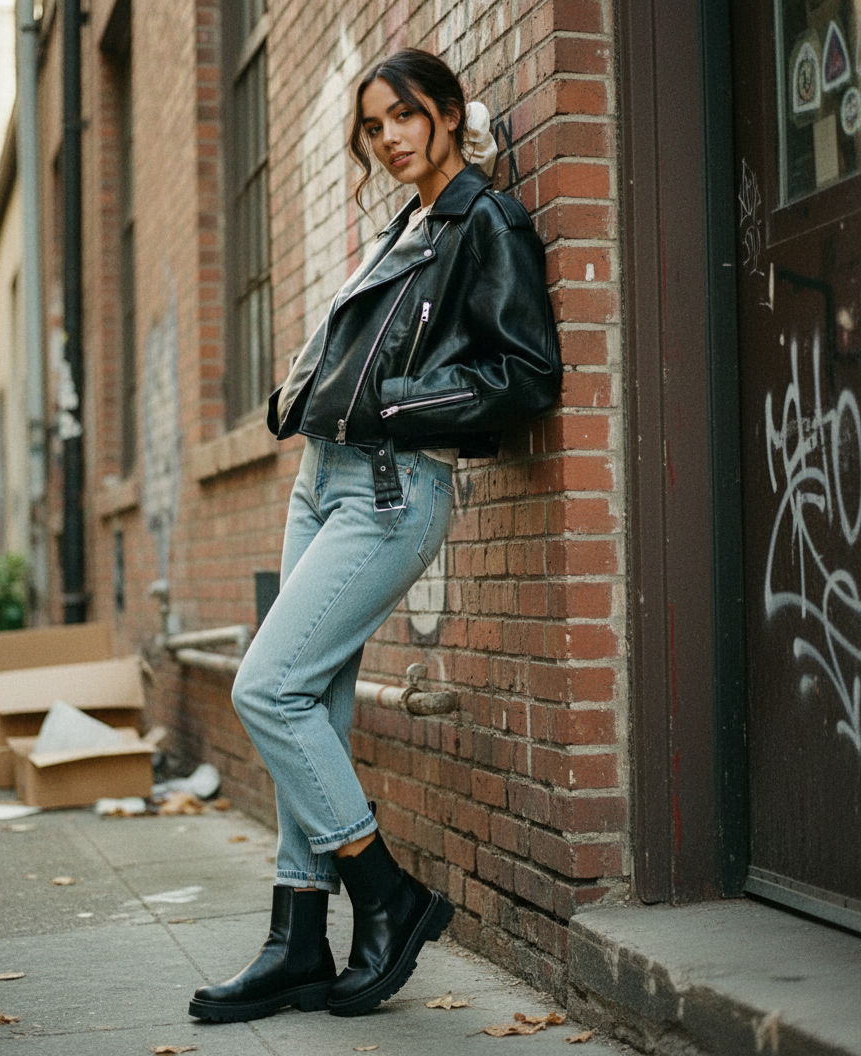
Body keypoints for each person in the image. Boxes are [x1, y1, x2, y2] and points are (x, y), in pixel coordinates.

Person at [189, 47, 561, 1023]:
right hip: (322, 478)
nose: (387, 138)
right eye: (371, 125)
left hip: (389, 490)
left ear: (443, 114)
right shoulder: (408, 221)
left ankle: (383, 891)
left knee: (265, 689)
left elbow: (524, 373)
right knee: (312, 705)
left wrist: (393, 402)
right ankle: (296, 940)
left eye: (402, 116)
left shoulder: (484, 221)